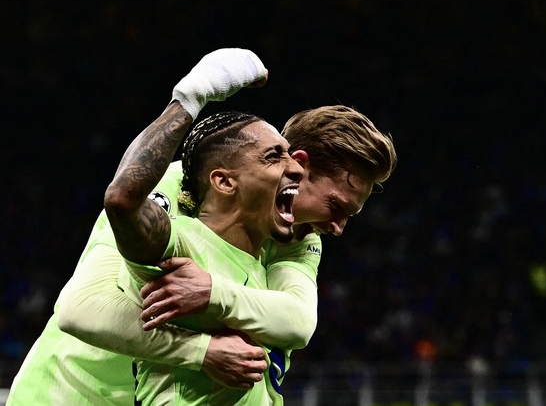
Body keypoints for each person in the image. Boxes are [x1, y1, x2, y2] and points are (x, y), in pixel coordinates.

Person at [7, 49, 398, 405]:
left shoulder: (299, 235)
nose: (337, 228)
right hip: (68, 394)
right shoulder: (174, 186)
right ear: (299, 164)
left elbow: (296, 322)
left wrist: (212, 293)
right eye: (335, 205)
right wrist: (201, 351)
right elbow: (81, 309)